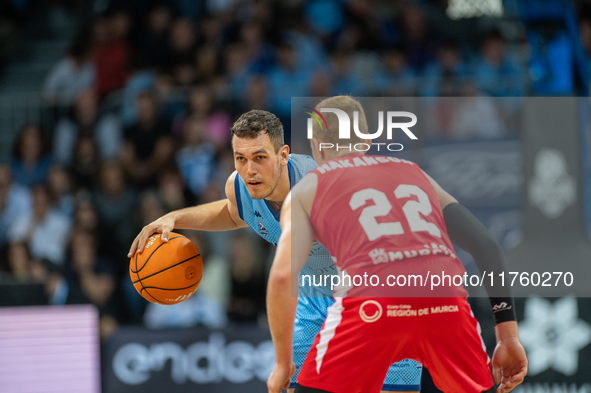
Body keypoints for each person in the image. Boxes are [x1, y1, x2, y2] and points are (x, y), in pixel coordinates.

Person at [128, 109, 424, 392]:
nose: (250, 170)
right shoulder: (239, 187)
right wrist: (175, 217)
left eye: (260, 158)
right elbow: (234, 213)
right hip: (314, 295)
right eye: (240, 158)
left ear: (283, 155)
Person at [266, 96, 528, 393]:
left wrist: (282, 362)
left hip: (372, 306)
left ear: (316, 147)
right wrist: (508, 338)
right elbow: (486, 245)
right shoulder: (415, 173)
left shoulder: (307, 187)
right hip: (445, 304)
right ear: (365, 140)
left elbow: (283, 277)